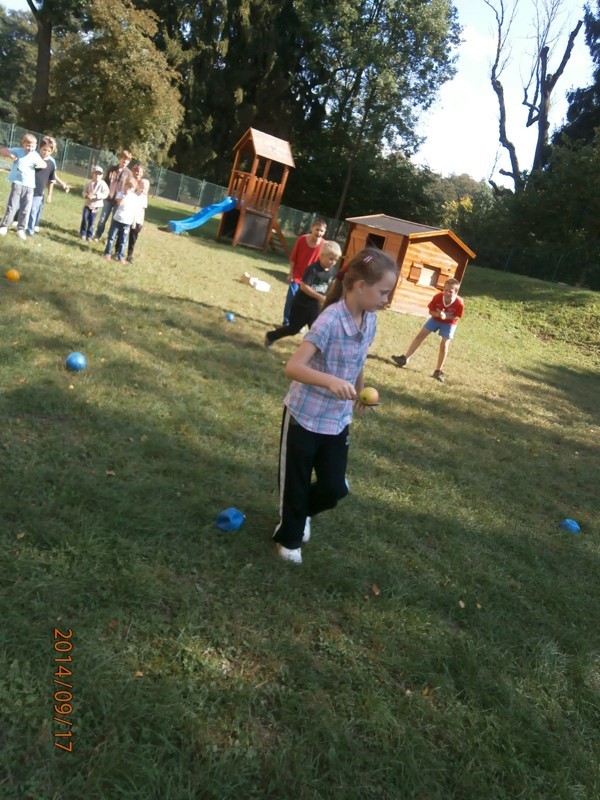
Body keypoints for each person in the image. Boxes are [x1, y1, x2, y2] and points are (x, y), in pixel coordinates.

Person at [272, 248, 399, 565]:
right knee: (296, 483)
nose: (387, 300)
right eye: (383, 292)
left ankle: (301, 513)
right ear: (361, 286)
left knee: (334, 488)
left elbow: (358, 360)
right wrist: (330, 381)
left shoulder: (370, 321)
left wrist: (360, 392)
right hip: (304, 416)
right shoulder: (329, 320)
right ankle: (289, 538)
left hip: (337, 420)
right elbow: (293, 367)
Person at [265, 240, 342, 348]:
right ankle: (271, 336)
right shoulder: (313, 269)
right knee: (293, 329)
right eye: (331, 259)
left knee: (316, 329)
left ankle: (314, 352)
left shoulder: (332, 271)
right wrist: (320, 297)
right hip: (301, 305)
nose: (333, 262)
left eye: (336, 260)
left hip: (315, 306)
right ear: (321, 256)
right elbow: (303, 286)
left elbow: (332, 284)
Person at [391, 277, 464, 383]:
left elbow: (457, 316)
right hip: (435, 319)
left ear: (456, 292)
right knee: (420, 336)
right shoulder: (438, 297)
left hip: (449, 323)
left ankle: (438, 371)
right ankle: (405, 359)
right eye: (446, 290)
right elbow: (431, 311)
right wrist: (439, 314)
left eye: (451, 291)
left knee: (444, 345)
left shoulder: (459, 302)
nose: (447, 293)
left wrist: (446, 317)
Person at [0, 132, 46, 239]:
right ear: (23, 144)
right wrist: (10, 155)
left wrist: (39, 164)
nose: (30, 148)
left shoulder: (35, 155)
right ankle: (4, 226)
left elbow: (43, 164)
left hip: (29, 186)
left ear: (36, 146)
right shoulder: (18, 151)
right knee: (12, 206)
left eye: (33, 146)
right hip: (17, 183)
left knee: (26, 208)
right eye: (28, 145)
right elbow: (3, 150)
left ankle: (20, 229)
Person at [282, 218, 327, 324]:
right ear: (312, 228)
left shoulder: (324, 245)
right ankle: (286, 322)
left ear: (324, 232)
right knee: (291, 298)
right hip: (297, 276)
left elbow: (324, 264)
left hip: (311, 280)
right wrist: (291, 273)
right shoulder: (301, 239)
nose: (319, 233)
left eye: (321, 231)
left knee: (306, 303)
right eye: (317, 229)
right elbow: (293, 258)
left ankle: (299, 323)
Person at [26, 136, 69, 237]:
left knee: (35, 209)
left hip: (39, 190)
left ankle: (33, 227)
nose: (46, 152)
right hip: (28, 186)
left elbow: (52, 176)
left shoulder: (51, 162)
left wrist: (61, 184)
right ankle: (19, 222)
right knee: (24, 206)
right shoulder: (33, 156)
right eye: (44, 149)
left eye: (49, 150)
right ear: (40, 148)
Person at [92, 150, 133, 241]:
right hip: (108, 199)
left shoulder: (129, 174)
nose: (125, 161)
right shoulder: (112, 169)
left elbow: (130, 187)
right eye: (124, 158)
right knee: (102, 219)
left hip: (119, 201)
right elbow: (104, 182)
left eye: (127, 160)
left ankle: (109, 238)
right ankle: (98, 235)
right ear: (120, 158)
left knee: (114, 221)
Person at [103, 176, 138, 263]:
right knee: (111, 237)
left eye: (132, 187)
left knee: (123, 240)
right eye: (128, 186)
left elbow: (134, 210)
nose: (130, 189)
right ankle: (107, 253)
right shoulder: (120, 193)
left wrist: (134, 221)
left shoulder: (135, 197)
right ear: (125, 185)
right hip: (117, 220)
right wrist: (125, 195)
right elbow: (120, 203)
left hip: (127, 222)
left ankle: (121, 256)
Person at [126, 162, 150, 263]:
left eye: (146, 187)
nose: (144, 188)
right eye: (142, 186)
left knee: (133, 237)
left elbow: (143, 209)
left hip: (138, 219)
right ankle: (118, 251)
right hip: (129, 216)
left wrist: (141, 222)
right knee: (123, 234)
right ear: (139, 185)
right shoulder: (133, 194)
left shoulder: (144, 197)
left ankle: (129, 255)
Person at [80, 165, 109, 241]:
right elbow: (84, 191)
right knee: (84, 218)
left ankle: (89, 235)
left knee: (92, 220)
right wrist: (86, 195)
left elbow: (106, 194)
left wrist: (96, 196)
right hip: (87, 204)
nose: (97, 175)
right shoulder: (89, 183)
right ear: (92, 174)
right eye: (95, 173)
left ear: (102, 175)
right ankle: (83, 233)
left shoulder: (103, 184)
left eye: (99, 174)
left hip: (95, 205)